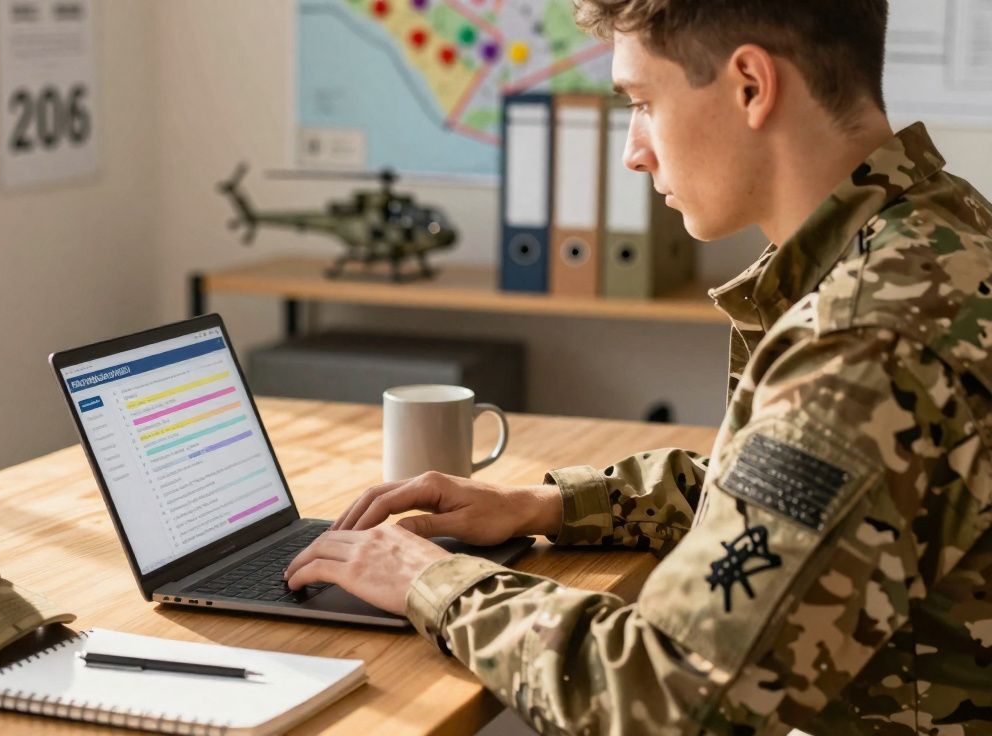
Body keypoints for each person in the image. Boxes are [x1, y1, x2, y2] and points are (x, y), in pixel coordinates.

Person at [283, 0, 992, 732]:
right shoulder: (938, 229)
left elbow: (670, 694)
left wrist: (429, 580)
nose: (633, 150)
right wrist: (546, 506)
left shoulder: (865, 343)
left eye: (644, 103)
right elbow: (780, 499)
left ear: (751, 85)